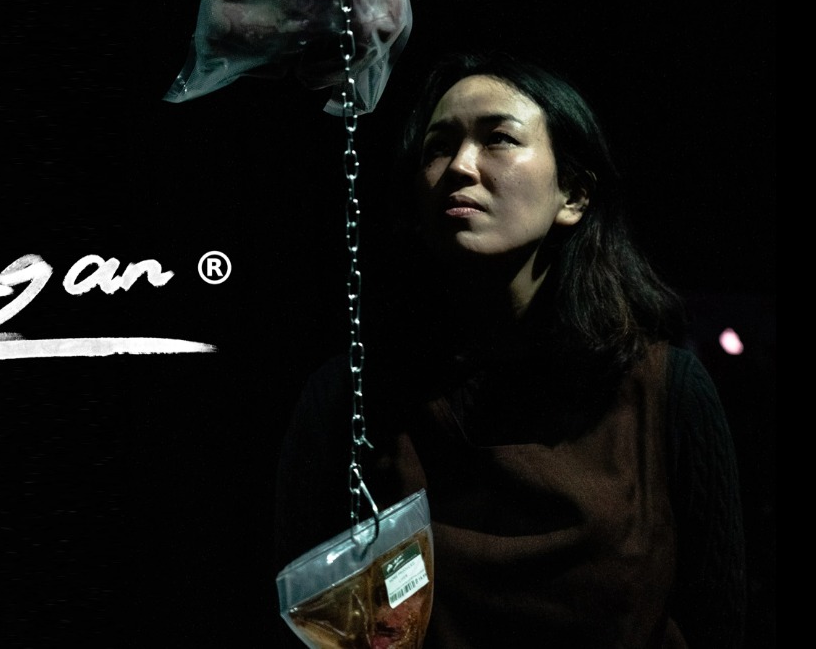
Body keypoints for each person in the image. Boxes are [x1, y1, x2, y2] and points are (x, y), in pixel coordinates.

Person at [274, 51, 746, 648]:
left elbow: (717, 620)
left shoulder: (664, 393)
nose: (459, 166)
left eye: (498, 138)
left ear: (573, 194)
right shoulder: (352, 399)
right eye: (438, 147)